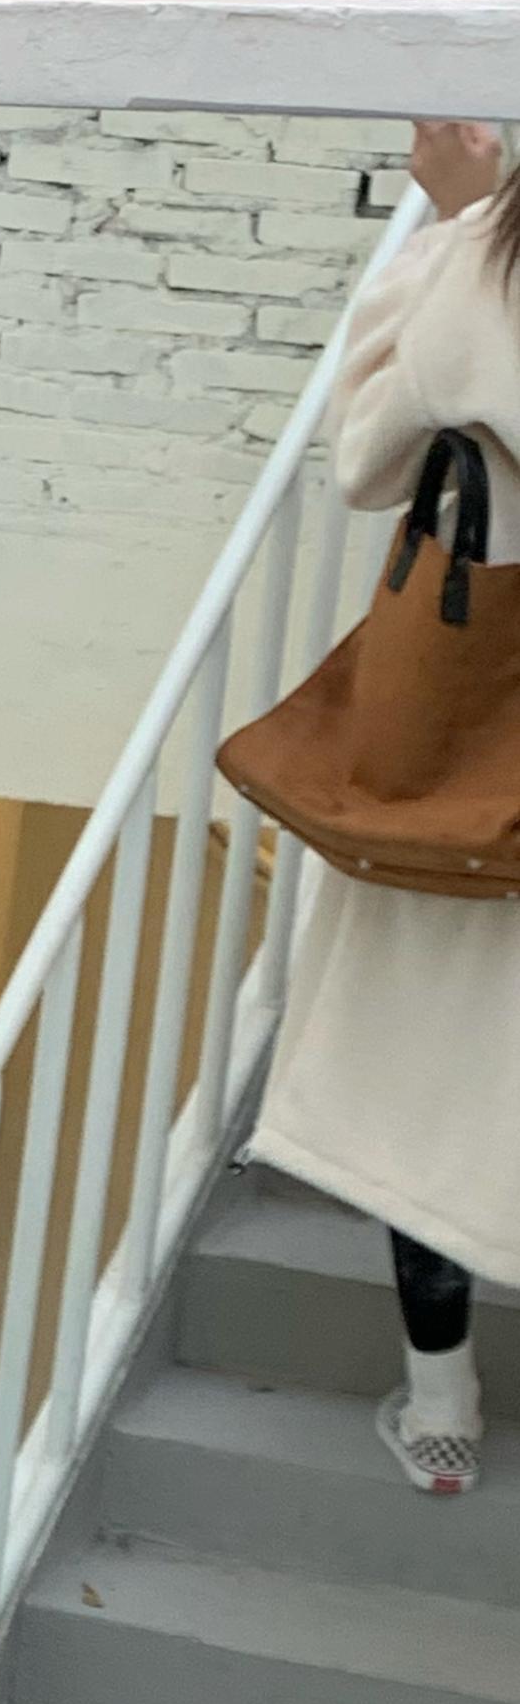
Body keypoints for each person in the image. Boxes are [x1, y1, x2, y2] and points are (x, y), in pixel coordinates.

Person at [248, 120, 520, 1496]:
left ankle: (442, 1407)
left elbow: (364, 458)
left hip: (461, 746)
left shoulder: (486, 268)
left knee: (420, 1083)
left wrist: (462, 218)